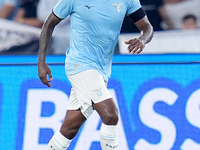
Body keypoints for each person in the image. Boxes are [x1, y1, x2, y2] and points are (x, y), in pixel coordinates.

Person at [38, 0, 153, 149]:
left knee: (69, 129)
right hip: (79, 64)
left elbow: (146, 26)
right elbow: (49, 23)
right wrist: (41, 62)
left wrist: (143, 39)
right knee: (110, 115)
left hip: (102, 70)